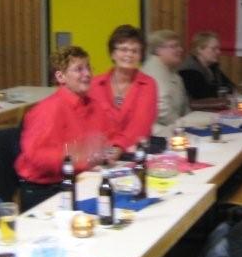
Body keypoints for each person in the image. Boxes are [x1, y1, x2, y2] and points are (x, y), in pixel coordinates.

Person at [15, 46, 113, 211]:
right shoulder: (48, 110)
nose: (87, 74)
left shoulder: (94, 106)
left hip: (79, 181)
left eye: (88, 68)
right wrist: (81, 159)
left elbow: (107, 138)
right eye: (79, 69)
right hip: (45, 190)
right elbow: (36, 157)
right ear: (61, 77)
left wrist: (108, 152)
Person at [89, 25, 157, 153]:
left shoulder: (148, 84)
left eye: (134, 51)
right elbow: (90, 123)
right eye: (123, 49)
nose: (129, 54)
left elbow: (141, 125)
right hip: (98, 152)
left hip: (134, 152)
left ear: (140, 56)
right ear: (113, 54)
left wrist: (118, 147)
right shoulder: (95, 84)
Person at [141, 30, 190, 138]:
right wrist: (183, 125)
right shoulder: (154, 70)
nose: (180, 50)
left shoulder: (169, 69)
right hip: (157, 134)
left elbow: (184, 105)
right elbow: (162, 109)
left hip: (171, 129)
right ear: (158, 50)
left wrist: (187, 122)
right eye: (174, 46)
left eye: (179, 46)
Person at [178, 31, 235, 107]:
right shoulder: (188, 71)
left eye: (218, 48)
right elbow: (203, 96)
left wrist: (221, 90)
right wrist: (221, 90)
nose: (218, 52)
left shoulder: (212, 67)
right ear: (199, 49)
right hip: (196, 112)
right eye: (214, 49)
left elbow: (231, 86)